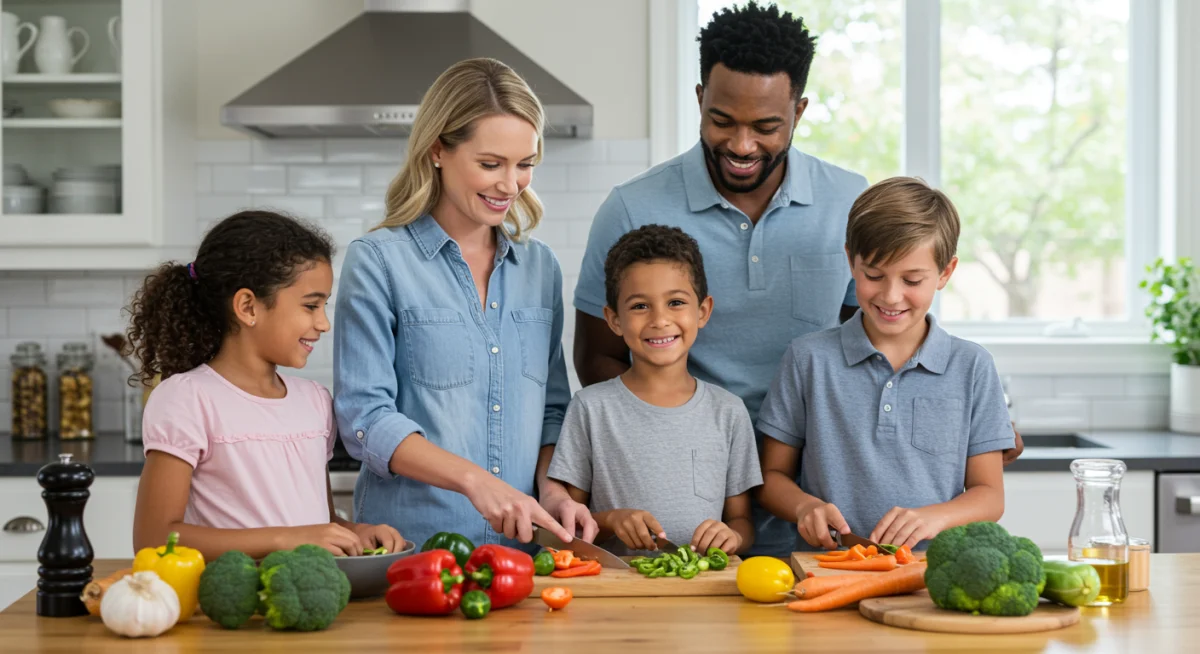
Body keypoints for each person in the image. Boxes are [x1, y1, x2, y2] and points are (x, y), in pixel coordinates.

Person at [572, 2, 1023, 556]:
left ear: (799, 111)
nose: (741, 146)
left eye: (766, 127)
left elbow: (869, 342)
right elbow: (598, 359)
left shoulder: (845, 201)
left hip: (822, 495)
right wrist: (671, 453)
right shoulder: (630, 207)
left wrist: (964, 426)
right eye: (721, 121)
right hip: (701, 500)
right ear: (698, 99)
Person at [333, 58, 594, 552]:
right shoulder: (379, 262)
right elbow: (364, 417)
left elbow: (552, 410)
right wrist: (475, 481)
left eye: (526, 164)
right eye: (490, 164)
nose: (510, 184)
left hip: (522, 557)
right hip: (413, 551)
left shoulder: (540, 269)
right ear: (437, 150)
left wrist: (554, 489)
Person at [128, 211, 404, 561]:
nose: (323, 323)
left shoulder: (314, 402)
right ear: (247, 307)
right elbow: (154, 538)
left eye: (324, 306)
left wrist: (355, 532)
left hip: (308, 607)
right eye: (310, 306)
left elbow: (318, 524)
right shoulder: (187, 398)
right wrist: (284, 540)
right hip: (226, 610)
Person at [758, 177, 1012, 551]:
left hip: (927, 580)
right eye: (874, 275)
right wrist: (804, 507)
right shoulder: (808, 359)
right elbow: (771, 477)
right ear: (851, 261)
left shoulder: (971, 366)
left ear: (945, 273)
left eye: (912, 279)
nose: (891, 296)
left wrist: (932, 518)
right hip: (827, 570)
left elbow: (990, 495)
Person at [548, 225, 762, 556]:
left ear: (702, 311)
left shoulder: (729, 412)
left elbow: (742, 521)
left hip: (704, 592)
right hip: (618, 593)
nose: (660, 320)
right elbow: (571, 526)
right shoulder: (590, 409)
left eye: (675, 302)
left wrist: (731, 537)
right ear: (614, 319)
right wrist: (613, 520)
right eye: (639, 306)